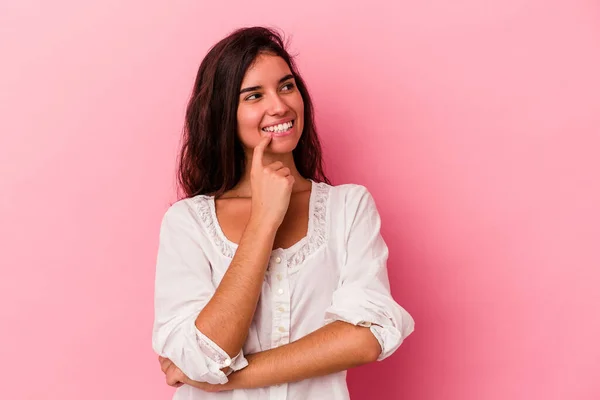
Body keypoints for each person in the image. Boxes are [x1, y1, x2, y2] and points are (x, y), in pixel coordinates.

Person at [152, 26, 415, 399]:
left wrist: (217, 376)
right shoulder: (187, 223)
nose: (279, 106)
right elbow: (208, 350)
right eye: (254, 95)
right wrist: (263, 219)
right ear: (223, 113)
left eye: (287, 86)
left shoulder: (348, 208)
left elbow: (366, 338)